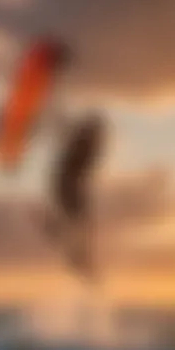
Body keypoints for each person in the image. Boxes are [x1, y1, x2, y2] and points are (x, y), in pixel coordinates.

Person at [40, 110, 107, 283]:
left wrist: (61, 123)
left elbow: (67, 136)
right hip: (66, 187)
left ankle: (79, 257)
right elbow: (65, 134)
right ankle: (78, 255)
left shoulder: (85, 145)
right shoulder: (84, 144)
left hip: (68, 186)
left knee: (82, 225)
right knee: (80, 224)